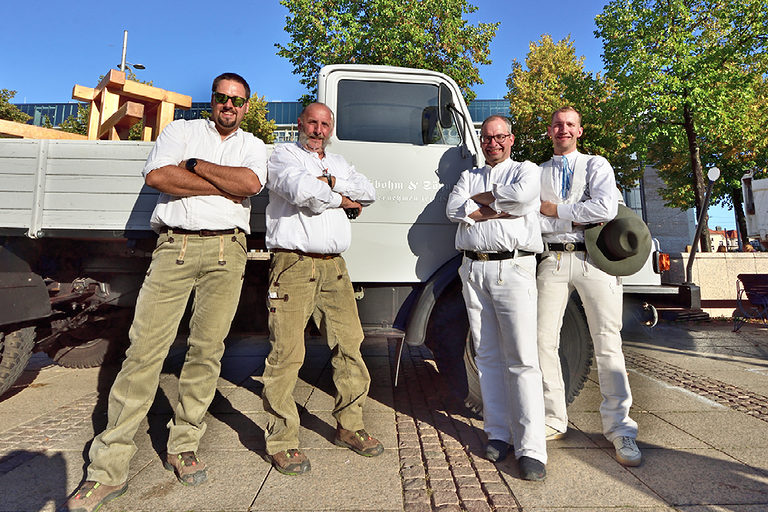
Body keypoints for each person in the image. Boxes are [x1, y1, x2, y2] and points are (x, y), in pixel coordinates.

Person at [66, 72, 267, 512]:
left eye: (237, 100)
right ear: (211, 100)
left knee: (206, 351)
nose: (228, 105)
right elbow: (158, 177)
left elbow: (250, 185)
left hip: (225, 252)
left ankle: (184, 444)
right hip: (175, 246)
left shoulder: (253, 145)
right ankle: (107, 470)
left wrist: (193, 167)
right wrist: (220, 182)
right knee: (144, 353)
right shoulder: (182, 130)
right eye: (221, 97)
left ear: (246, 106)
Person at [262, 102, 381, 476]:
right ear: (300, 124)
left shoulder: (340, 163)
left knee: (349, 345)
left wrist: (332, 184)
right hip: (293, 264)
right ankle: (283, 441)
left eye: (324, 124)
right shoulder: (282, 155)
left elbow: (369, 191)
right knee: (287, 353)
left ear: (331, 128)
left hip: (335, 268)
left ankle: (351, 425)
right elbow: (303, 193)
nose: (317, 129)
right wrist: (343, 200)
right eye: (311, 122)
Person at [537, 106, 642, 467]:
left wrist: (556, 211)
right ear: (549, 132)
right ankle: (553, 418)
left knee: (607, 343)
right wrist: (570, 212)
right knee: (542, 341)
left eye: (570, 125)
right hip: (552, 260)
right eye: (557, 125)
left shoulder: (597, 164)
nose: (563, 129)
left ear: (580, 131)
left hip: (595, 259)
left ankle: (621, 430)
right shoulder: (537, 172)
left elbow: (605, 208)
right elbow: (533, 216)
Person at [446, 115, 547, 481]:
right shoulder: (468, 176)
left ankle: (531, 448)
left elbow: (521, 199)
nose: (493, 143)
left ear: (511, 139)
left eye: (499, 137)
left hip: (514, 268)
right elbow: (452, 209)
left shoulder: (527, 170)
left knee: (522, 357)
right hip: (473, 269)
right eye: (487, 138)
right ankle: (498, 433)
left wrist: (479, 207)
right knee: (486, 354)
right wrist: (497, 207)